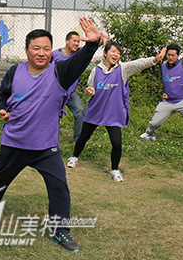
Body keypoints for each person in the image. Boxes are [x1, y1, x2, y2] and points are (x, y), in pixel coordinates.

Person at [0, 18, 101, 253]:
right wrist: (3, 108)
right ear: (26, 50)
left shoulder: (60, 72)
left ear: (52, 51)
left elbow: (79, 62)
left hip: (45, 146)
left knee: (59, 187)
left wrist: (92, 45)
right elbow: (4, 93)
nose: (41, 53)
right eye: (36, 48)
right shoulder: (14, 71)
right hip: (14, 141)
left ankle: (60, 230)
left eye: (46, 48)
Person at [67, 41, 166, 182]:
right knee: (83, 137)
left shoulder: (123, 69)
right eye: (113, 51)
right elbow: (91, 86)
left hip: (113, 114)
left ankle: (114, 170)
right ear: (105, 53)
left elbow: (138, 64)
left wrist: (155, 60)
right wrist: (90, 91)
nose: (116, 55)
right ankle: (74, 157)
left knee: (117, 143)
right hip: (96, 110)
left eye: (119, 53)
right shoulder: (96, 70)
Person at [51, 31, 85, 142]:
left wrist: (98, 41)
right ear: (67, 41)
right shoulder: (55, 55)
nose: (76, 44)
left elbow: (89, 49)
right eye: (74, 41)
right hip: (56, 91)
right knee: (52, 116)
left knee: (79, 112)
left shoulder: (78, 55)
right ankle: (50, 139)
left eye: (78, 42)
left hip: (71, 92)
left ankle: (77, 140)